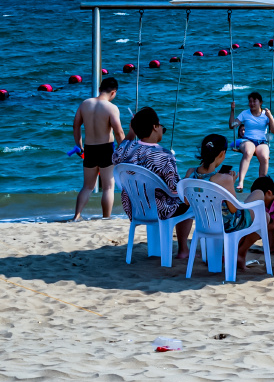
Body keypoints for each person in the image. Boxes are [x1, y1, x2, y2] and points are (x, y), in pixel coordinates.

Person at [113, 106, 192, 260]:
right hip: (161, 210)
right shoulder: (163, 155)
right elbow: (174, 188)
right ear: (155, 127)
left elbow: (116, 155)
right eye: (161, 126)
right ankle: (183, 249)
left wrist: (131, 132)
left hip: (135, 208)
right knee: (186, 200)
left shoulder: (126, 150)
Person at [184, 133, 255, 270]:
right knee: (263, 214)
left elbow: (187, 202)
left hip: (203, 223)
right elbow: (234, 209)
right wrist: (231, 183)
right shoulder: (223, 179)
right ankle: (240, 253)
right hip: (225, 225)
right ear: (222, 154)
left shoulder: (190, 173)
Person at [72, 76, 125, 220]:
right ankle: (106, 217)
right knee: (108, 186)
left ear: (100, 89)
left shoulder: (85, 104)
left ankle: (76, 216)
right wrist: (125, 148)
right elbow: (118, 132)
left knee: (87, 186)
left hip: (89, 149)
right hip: (106, 149)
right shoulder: (111, 108)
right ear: (113, 93)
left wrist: (79, 145)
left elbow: (76, 125)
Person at [229, 91, 274, 191]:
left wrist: (271, 117)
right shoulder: (245, 113)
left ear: (260, 102)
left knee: (265, 157)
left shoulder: (265, 114)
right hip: (247, 140)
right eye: (250, 101)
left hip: (261, 141)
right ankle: (241, 182)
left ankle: (261, 183)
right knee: (248, 152)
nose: (251, 103)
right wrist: (232, 110)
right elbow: (232, 126)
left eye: (254, 101)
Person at [241, 176, 274, 254]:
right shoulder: (267, 204)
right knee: (266, 222)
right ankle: (271, 247)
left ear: (269, 193)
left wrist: (255, 231)